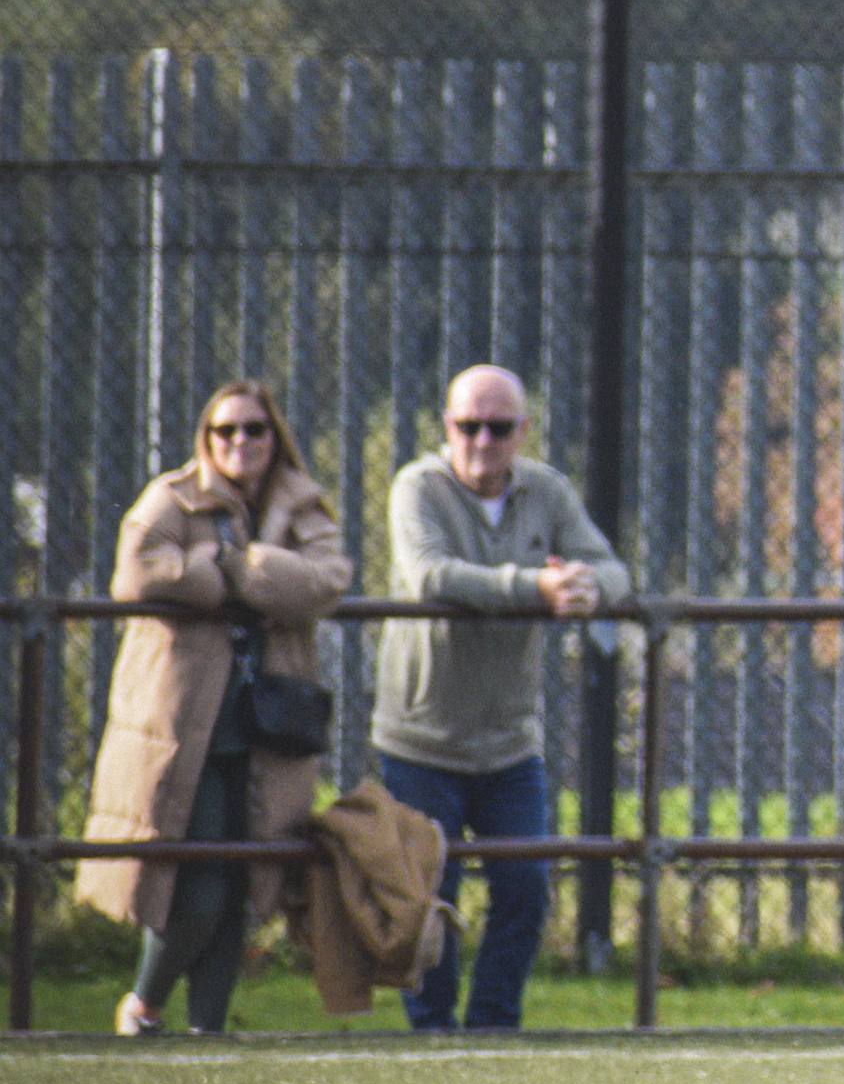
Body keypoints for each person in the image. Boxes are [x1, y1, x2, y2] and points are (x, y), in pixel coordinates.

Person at [81, 382, 351, 1034]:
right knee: (198, 889)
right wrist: (254, 585)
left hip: (266, 729)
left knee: (243, 887)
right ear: (205, 439)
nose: (240, 443)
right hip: (184, 729)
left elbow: (327, 581)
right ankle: (144, 1005)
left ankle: (207, 1030)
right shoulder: (172, 496)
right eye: (224, 431)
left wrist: (228, 565)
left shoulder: (301, 502)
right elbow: (140, 572)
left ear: (274, 435)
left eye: (254, 429)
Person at [373, 365, 630, 1032]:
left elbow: (613, 569)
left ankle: (494, 1025)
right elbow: (432, 574)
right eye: (468, 426)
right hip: (421, 737)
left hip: (511, 740)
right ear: (447, 426)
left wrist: (583, 586)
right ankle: (431, 1030)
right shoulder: (416, 487)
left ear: (523, 431)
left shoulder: (546, 491)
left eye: (499, 427)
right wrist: (534, 590)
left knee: (526, 887)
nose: (482, 441)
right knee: (433, 893)